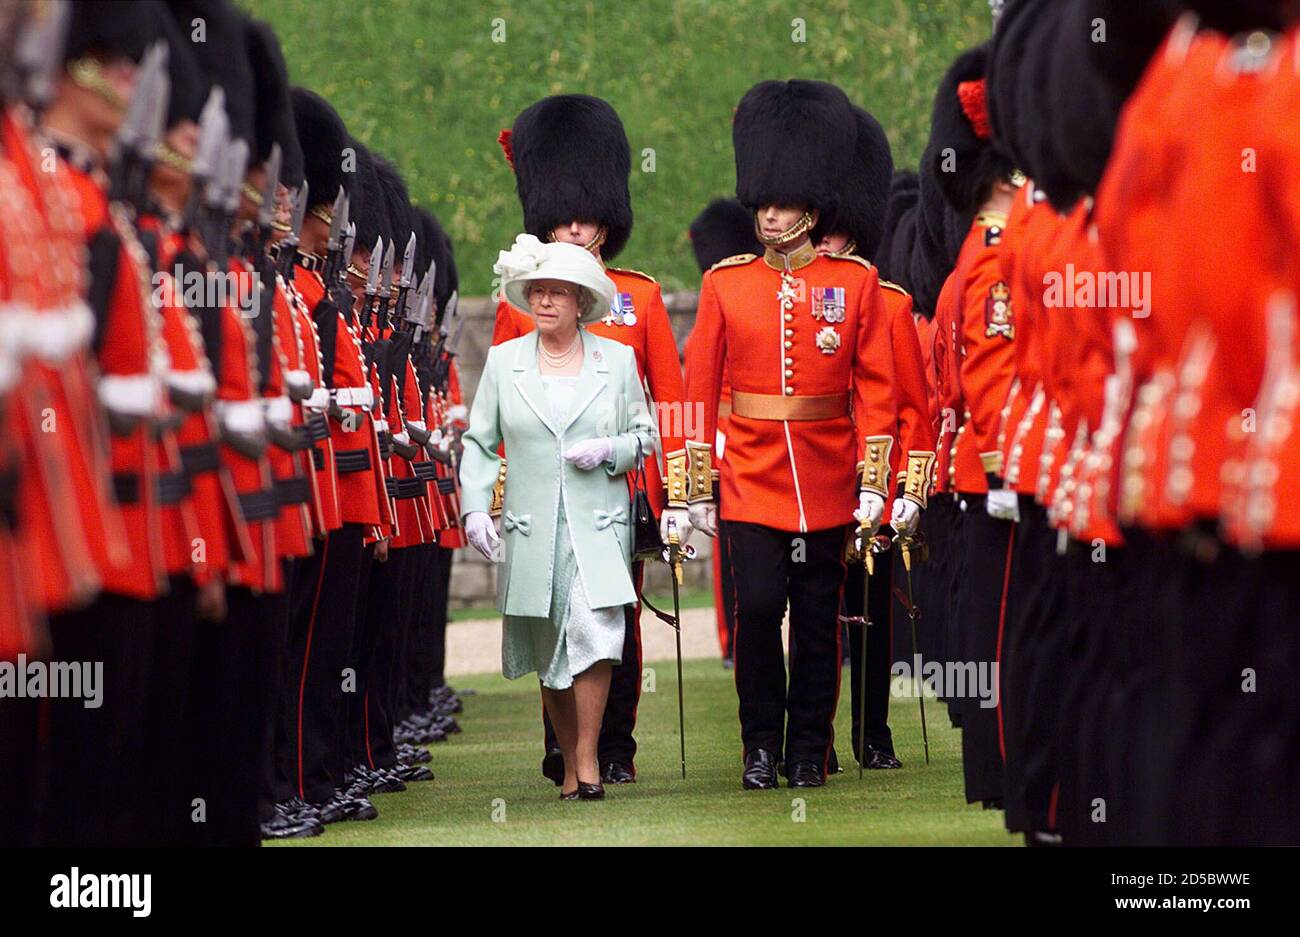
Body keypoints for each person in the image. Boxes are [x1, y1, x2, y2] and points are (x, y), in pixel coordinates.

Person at [683, 79, 901, 790]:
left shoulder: (855, 283)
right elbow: (696, 390)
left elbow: (873, 385)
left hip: (830, 472)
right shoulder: (726, 284)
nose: (768, 214)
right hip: (749, 474)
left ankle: (809, 746)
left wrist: (874, 479)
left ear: (811, 208)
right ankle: (759, 744)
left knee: (817, 618)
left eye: (780, 203)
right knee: (757, 609)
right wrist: (691, 490)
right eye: (762, 203)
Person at [493, 94, 689, 785]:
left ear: (606, 219)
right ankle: (563, 743)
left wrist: (677, 498)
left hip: (616, 487)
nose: (574, 227)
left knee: (614, 623)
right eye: (562, 215)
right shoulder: (518, 308)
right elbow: (503, 409)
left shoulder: (640, 297)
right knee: (548, 616)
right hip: (544, 489)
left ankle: (615, 748)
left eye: (585, 215)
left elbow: (673, 405)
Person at [460, 234, 658, 800]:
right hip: (532, 528)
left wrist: (610, 451)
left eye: (557, 294)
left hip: (596, 526)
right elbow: (479, 442)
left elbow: (645, 436)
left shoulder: (616, 361)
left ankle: (590, 758)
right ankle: (570, 759)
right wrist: (475, 508)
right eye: (537, 292)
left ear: (580, 303)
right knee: (549, 650)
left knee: (595, 636)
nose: (545, 302)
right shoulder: (504, 362)